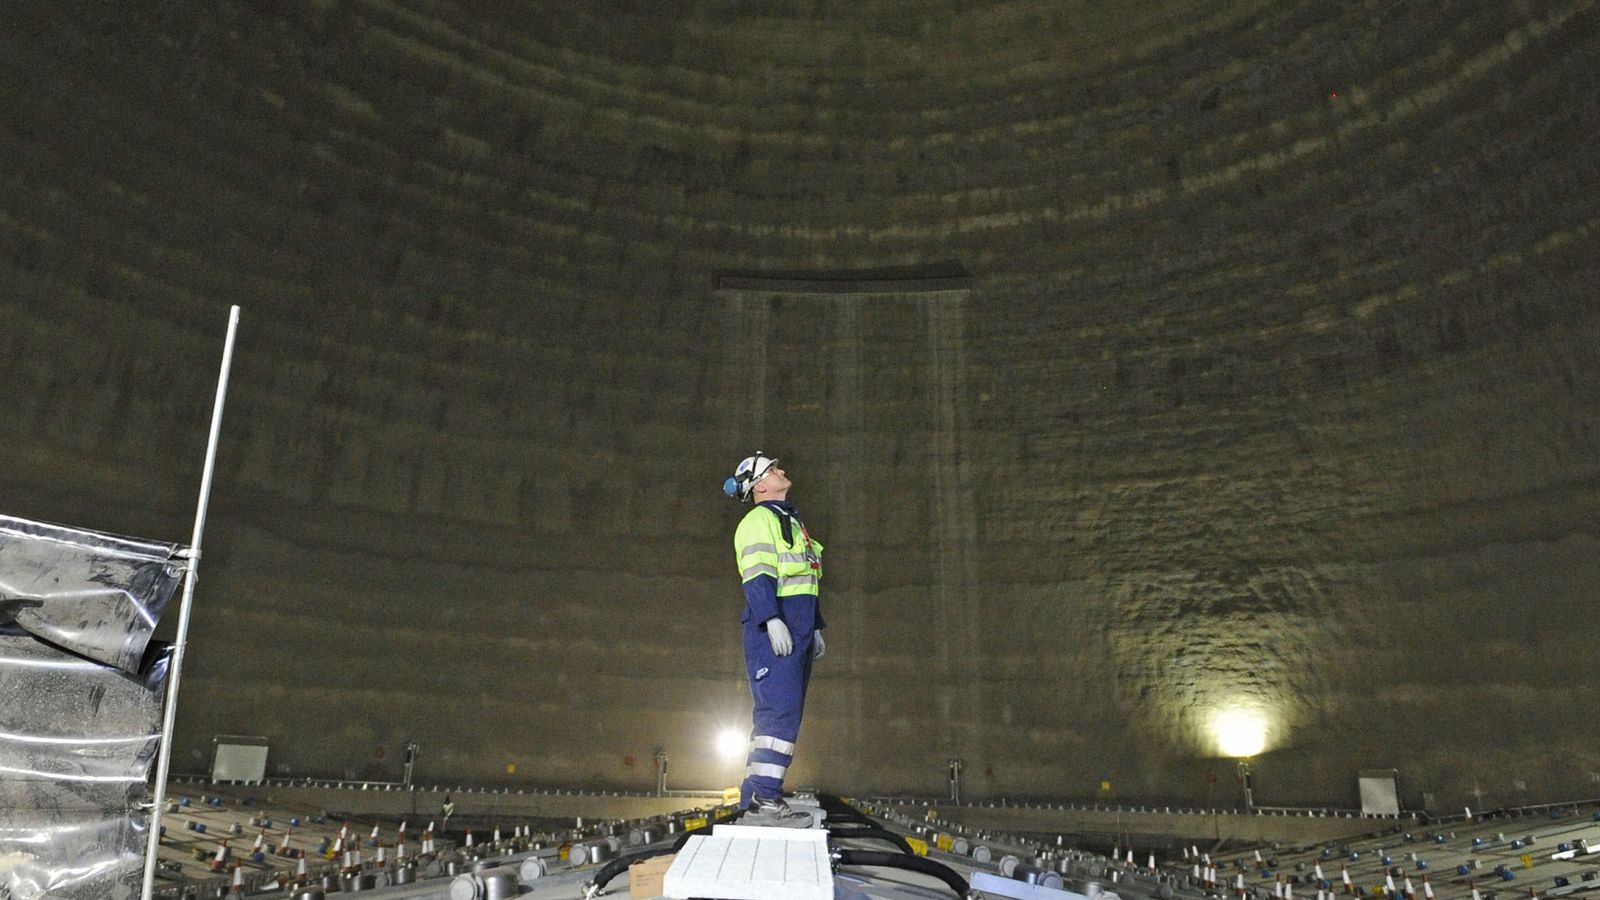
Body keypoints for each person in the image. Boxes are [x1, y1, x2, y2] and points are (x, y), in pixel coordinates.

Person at [724, 452, 826, 828]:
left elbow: (806, 579)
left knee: (782, 714)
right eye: (771, 469)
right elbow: (756, 573)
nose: (781, 470)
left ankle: (754, 797)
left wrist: (814, 625)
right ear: (759, 486)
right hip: (775, 629)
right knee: (778, 715)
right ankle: (766, 800)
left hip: (796, 628)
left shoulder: (791, 522)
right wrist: (771, 618)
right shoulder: (759, 521)